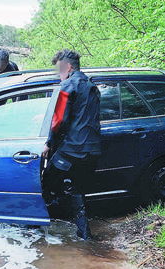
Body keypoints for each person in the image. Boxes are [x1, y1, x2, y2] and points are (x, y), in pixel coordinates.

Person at [41, 49, 101, 240]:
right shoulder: (93, 86)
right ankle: (85, 236)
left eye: (59, 70)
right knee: (78, 191)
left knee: (46, 184)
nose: (58, 75)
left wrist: (49, 144)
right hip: (92, 150)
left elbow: (59, 120)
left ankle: (41, 232)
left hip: (72, 151)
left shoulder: (67, 85)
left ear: (67, 67)